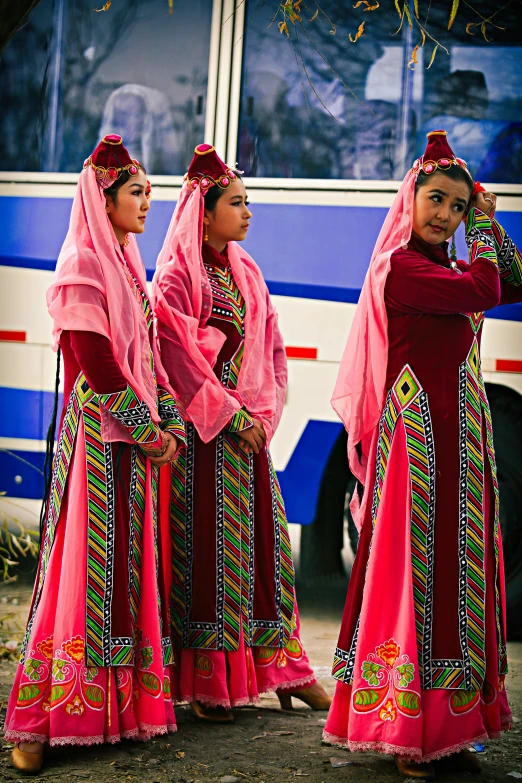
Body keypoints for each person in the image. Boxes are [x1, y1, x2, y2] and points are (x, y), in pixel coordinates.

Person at [323, 130, 522, 778]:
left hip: (460, 447)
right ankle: (406, 727)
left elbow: (510, 281)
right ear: (410, 198)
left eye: (457, 207)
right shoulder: (403, 269)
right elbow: (486, 291)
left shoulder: (448, 268)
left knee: (456, 581)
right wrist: (483, 237)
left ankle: (451, 723)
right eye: (435, 199)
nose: (445, 214)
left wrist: (489, 223)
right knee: (417, 580)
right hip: (417, 451)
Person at [5, 134, 185, 773]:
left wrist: (165, 418)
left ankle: (110, 711)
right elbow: (99, 365)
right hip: (101, 446)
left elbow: (146, 356)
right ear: (102, 199)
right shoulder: (83, 264)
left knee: (122, 575)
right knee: (78, 573)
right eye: (137, 193)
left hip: (131, 444)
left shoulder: (128, 265)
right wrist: (149, 429)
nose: (146, 205)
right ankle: (41, 721)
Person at [151, 144, 331, 721]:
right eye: (237, 203)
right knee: (207, 552)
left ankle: (282, 669)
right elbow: (176, 357)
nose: (248, 213)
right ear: (204, 213)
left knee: (265, 552)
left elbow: (269, 350)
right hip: (204, 439)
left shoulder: (244, 270)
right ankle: (209, 680)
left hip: (247, 438)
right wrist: (229, 417)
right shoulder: (178, 276)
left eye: (247, 202)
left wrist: (262, 416)